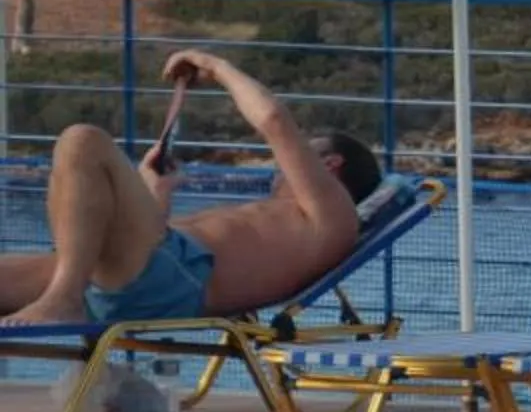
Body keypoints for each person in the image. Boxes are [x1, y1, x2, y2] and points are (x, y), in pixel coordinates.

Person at [0, 50, 382, 329]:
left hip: (171, 281)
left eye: (309, 151)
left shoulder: (333, 216)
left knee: (81, 141)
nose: (283, 162)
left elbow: (273, 120)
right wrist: (155, 192)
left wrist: (216, 66)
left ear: (329, 165)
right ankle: (65, 293)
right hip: (143, 268)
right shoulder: (277, 217)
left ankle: (64, 297)